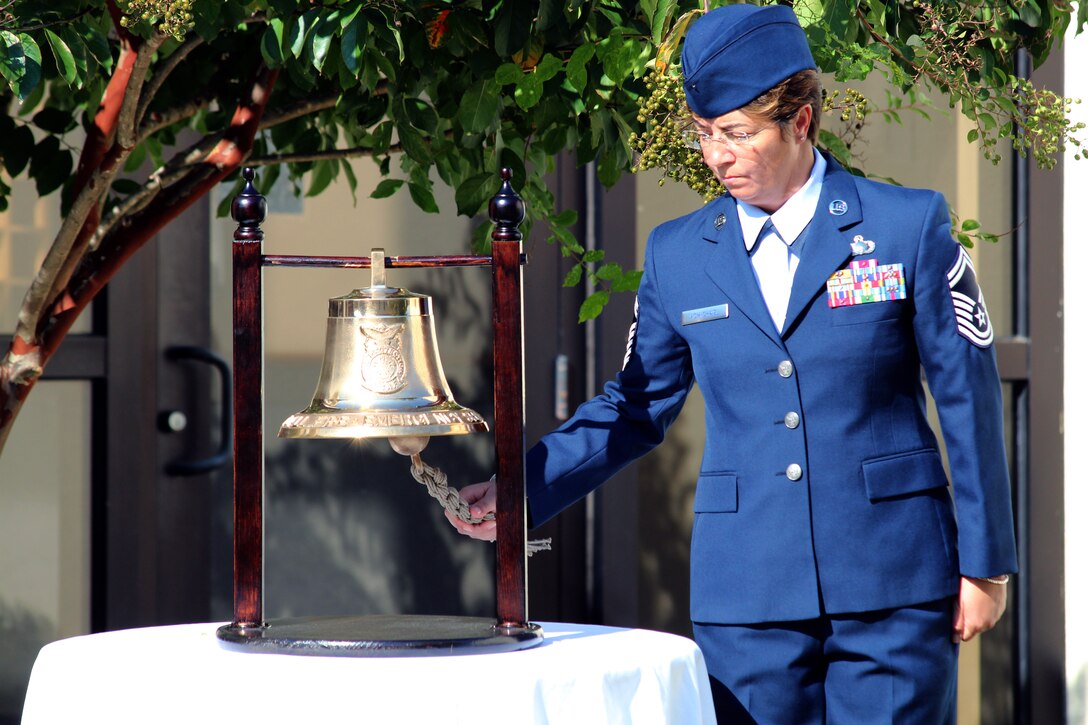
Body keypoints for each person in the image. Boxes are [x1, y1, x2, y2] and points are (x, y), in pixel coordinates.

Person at [448, 4, 1017, 722]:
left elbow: (968, 397)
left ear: (801, 121)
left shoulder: (906, 227)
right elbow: (634, 407)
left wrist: (985, 562)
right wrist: (520, 489)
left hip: (895, 586)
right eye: (704, 134)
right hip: (746, 596)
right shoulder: (679, 254)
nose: (717, 156)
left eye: (738, 134)